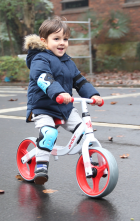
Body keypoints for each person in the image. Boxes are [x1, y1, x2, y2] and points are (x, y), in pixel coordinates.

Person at [24, 16, 103, 185]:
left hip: (64, 107)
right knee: (49, 133)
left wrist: (93, 95)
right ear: (44, 41)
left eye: (65, 39)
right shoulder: (39, 59)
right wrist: (58, 92)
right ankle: (41, 166)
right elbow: (43, 78)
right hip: (43, 107)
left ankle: (88, 161)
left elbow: (79, 80)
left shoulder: (68, 61)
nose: (62, 43)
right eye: (56, 39)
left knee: (84, 131)